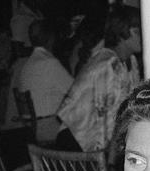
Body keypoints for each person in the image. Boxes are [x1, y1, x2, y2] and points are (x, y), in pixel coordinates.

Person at [56, 9, 141, 152]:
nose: (143, 37)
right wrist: (108, 158)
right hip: (78, 140)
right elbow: (102, 117)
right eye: (137, 32)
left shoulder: (130, 61)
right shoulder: (107, 64)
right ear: (122, 32)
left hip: (99, 138)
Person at [16, 19, 73, 143]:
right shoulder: (49, 63)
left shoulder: (27, 65)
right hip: (49, 128)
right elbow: (76, 91)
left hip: (30, 128)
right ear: (51, 38)